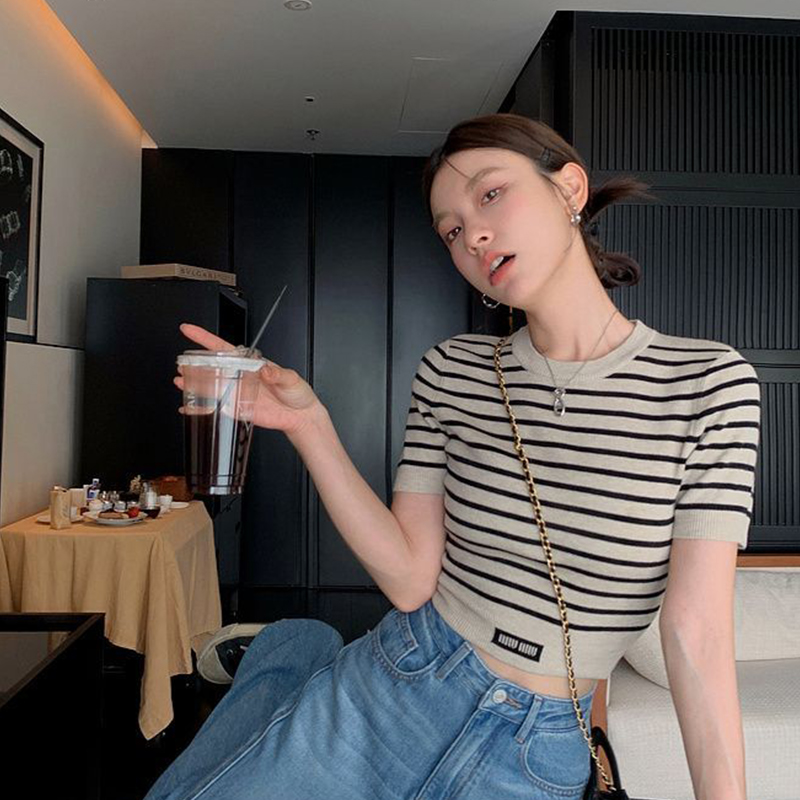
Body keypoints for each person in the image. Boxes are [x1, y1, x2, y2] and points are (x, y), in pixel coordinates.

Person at [146, 113, 760, 800]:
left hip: (540, 750)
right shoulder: (452, 370)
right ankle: (296, 654)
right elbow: (411, 579)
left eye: (491, 195)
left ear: (570, 188)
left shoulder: (708, 382)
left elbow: (696, 630)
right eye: (451, 231)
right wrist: (309, 423)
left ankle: (289, 654)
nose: (473, 236)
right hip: (400, 682)